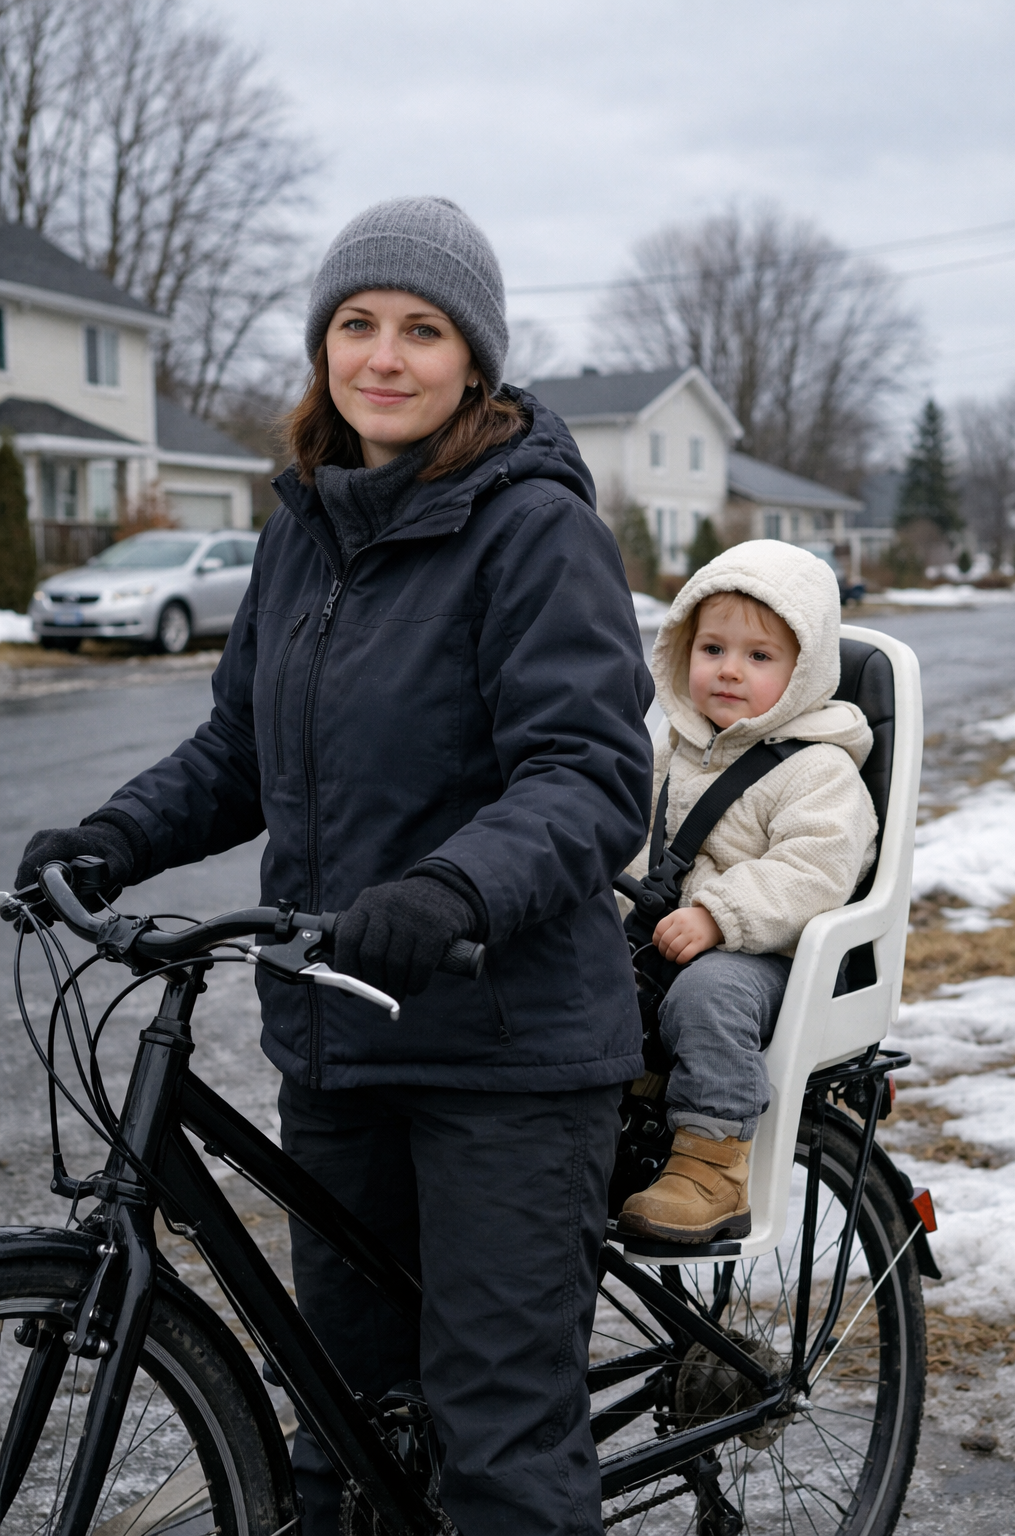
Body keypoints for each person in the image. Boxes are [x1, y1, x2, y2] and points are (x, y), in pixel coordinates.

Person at [16, 197, 655, 1536]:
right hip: (341, 1035)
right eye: (356, 324)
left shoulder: (535, 529)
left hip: (506, 1052)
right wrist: (117, 835)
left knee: (497, 1438)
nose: (384, 355)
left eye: (423, 329)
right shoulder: (304, 524)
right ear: (322, 349)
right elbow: (238, 750)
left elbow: (587, 772)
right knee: (349, 1423)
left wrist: (452, 887)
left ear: (473, 361)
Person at [617, 540, 877, 1244]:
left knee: (709, 994)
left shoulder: (819, 770)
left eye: (759, 656)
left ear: (803, 672)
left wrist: (719, 914)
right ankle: (602, 1127)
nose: (729, 670)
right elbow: (632, 841)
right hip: (667, 941)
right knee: (579, 969)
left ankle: (712, 1165)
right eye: (712, 649)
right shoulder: (673, 750)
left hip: (775, 962)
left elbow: (814, 870)